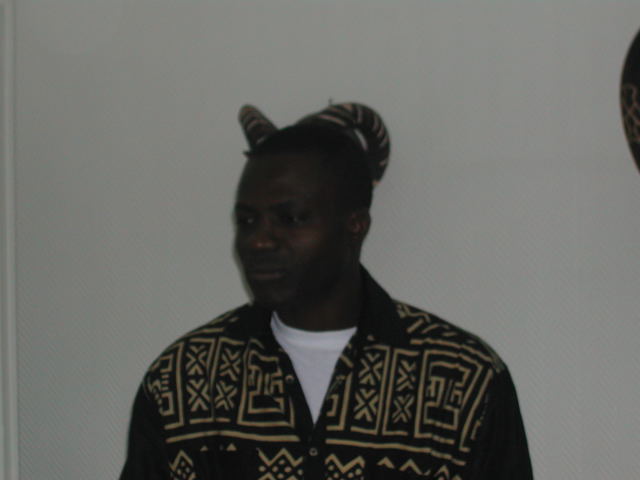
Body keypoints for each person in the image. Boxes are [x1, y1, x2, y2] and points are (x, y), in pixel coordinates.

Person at [120, 103, 533, 480]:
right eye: (247, 222)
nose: (259, 241)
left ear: (355, 225)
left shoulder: (462, 380)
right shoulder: (184, 379)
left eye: (290, 218)